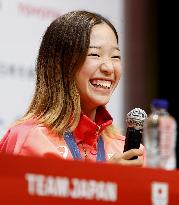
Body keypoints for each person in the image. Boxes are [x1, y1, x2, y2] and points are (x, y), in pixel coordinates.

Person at [0, 10, 144, 166]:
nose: (109, 67)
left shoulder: (128, 152)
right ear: (61, 64)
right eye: (95, 54)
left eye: (115, 56)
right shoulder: (29, 139)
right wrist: (106, 179)